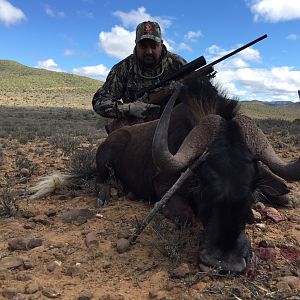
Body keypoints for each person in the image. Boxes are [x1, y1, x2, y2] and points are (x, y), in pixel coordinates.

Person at [92, 20, 187, 133]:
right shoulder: (123, 68)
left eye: (153, 46)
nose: (149, 51)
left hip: (174, 129)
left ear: (161, 44)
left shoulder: (178, 64)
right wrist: (130, 109)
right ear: (136, 44)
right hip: (137, 133)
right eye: (143, 46)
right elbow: (99, 102)